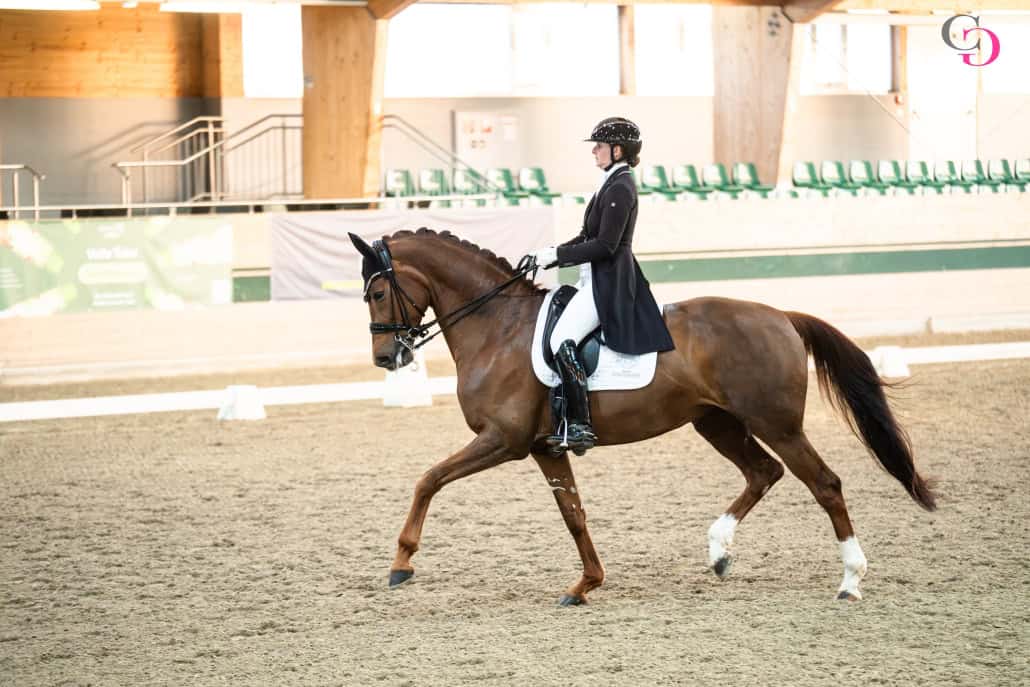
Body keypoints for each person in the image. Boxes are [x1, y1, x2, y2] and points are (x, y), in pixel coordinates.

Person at [529, 116, 676, 454]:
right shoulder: (610, 183)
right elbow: (586, 237)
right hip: (595, 278)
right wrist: (549, 256)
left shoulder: (621, 186)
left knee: (561, 339)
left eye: (599, 145)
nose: (594, 151)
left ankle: (579, 425)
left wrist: (556, 254)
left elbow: (605, 246)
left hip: (609, 282)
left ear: (618, 149)